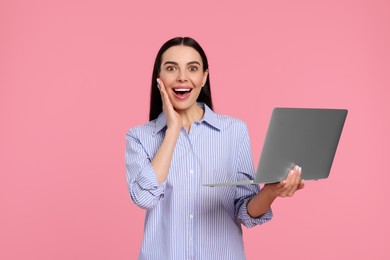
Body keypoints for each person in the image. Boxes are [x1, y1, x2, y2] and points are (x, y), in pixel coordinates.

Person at [125, 37, 304, 260]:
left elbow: (245, 211)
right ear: (159, 79)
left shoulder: (234, 131)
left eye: (193, 68)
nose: (182, 77)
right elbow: (144, 198)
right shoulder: (140, 136)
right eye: (171, 68)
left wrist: (271, 191)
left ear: (204, 78)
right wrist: (172, 129)